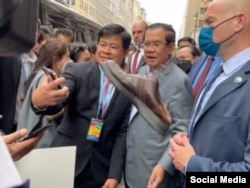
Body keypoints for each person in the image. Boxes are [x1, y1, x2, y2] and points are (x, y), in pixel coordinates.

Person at [30, 24, 132, 188]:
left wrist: (114, 174)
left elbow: (121, 133)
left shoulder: (129, 86)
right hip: (65, 159)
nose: (106, 50)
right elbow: (62, 95)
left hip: (99, 170)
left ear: (126, 52)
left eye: (113, 47)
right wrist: (42, 102)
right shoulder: (76, 71)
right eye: (102, 44)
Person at [169, 0, 250, 179]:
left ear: (239, 22)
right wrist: (188, 138)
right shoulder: (221, 71)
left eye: (210, 22)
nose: (204, 30)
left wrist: (192, 165)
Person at [125, 23, 193, 188]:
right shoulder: (141, 72)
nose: (149, 49)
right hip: (132, 162)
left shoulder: (179, 81)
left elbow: (181, 131)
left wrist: (164, 165)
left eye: (156, 44)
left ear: (170, 48)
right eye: (147, 44)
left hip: (154, 169)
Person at [17, 39, 70, 148]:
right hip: (43, 141)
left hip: (29, 136)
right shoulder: (47, 78)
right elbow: (51, 113)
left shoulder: (38, 73)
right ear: (56, 59)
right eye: (67, 57)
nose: (70, 61)